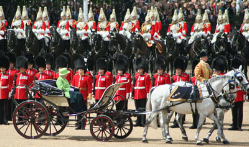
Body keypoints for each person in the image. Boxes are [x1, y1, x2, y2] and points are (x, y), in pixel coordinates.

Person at [72, 55, 92, 130]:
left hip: (84, 96)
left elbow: (89, 89)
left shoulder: (87, 77)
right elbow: (73, 87)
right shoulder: (75, 76)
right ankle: (78, 124)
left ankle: (83, 124)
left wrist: (89, 99)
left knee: (83, 111)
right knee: (77, 111)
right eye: (79, 70)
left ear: (83, 70)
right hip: (77, 96)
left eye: (81, 70)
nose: (80, 71)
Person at [171, 56, 189, 128]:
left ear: (181, 70)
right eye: (176, 69)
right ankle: (176, 122)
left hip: (183, 93)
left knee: (182, 107)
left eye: (178, 69)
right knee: (176, 108)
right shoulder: (174, 77)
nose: (177, 71)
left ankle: (182, 121)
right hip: (176, 94)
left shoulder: (185, 76)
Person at [229, 55, 246, 131]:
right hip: (234, 92)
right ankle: (235, 124)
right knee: (234, 109)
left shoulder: (241, 74)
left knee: (239, 109)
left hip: (239, 92)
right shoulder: (232, 73)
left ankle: (239, 125)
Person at [133, 57, 151, 127]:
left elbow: (147, 85)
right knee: (137, 108)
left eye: (140, 69)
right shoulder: (136, 76)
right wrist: (132, 93)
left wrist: (147, 94)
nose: (139, 70)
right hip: (136, 94)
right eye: (138, 69)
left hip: (142, 94)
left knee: (143, 108)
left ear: (143, 69)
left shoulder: (146, 76)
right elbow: (134, 85)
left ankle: (143, 122)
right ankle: (138, 121)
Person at [6, 52, 18, 121]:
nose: (10, 64)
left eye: (11, 63)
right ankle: (7, 116)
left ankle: (12, 116)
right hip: (7, 89)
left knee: (12, 104)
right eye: (9, 63)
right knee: (7, 103)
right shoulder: (6, 70)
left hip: (13, 88)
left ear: (13, 63)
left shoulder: (16, 71)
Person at [0, 55, 11, 125]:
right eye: (1, 68)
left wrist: (9, 92)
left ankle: (5, 120)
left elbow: (9, 84)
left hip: (4, 92)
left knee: (4, 108)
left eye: (3, 68)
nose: (2, 69)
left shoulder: (8, 75)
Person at [189, 59, 200, 129]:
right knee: (194, 110)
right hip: (194, 95)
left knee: (199, 110)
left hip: (200, 94)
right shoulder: (192, 79)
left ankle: (198, 123)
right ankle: (194, 123)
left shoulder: (200, 78)